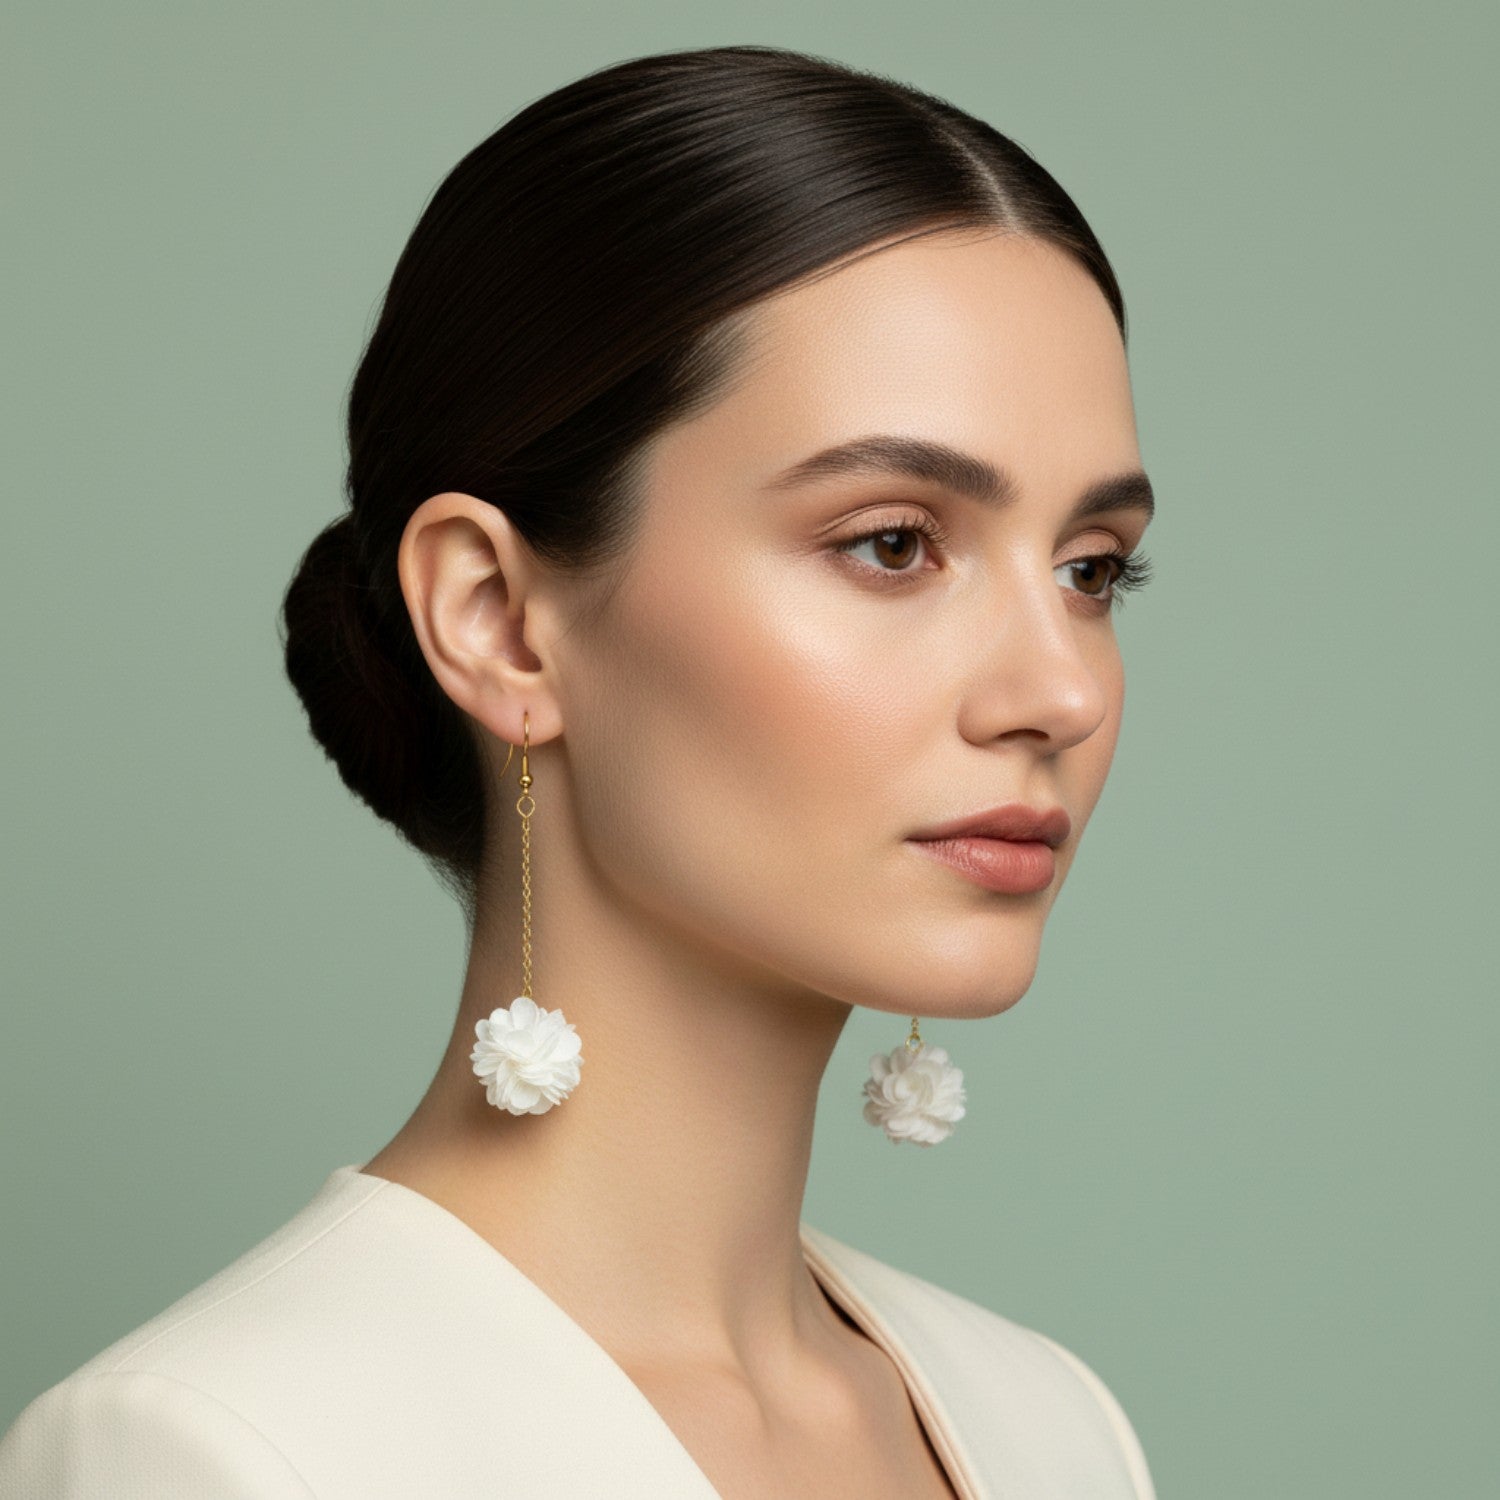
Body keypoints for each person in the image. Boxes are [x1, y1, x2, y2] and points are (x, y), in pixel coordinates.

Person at [0, 43, 1159, 1499]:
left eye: (1093, 568)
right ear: (497, 621)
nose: (1058, 689)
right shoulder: (221, 1450)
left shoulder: (1051, 1426)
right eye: (892, 543)